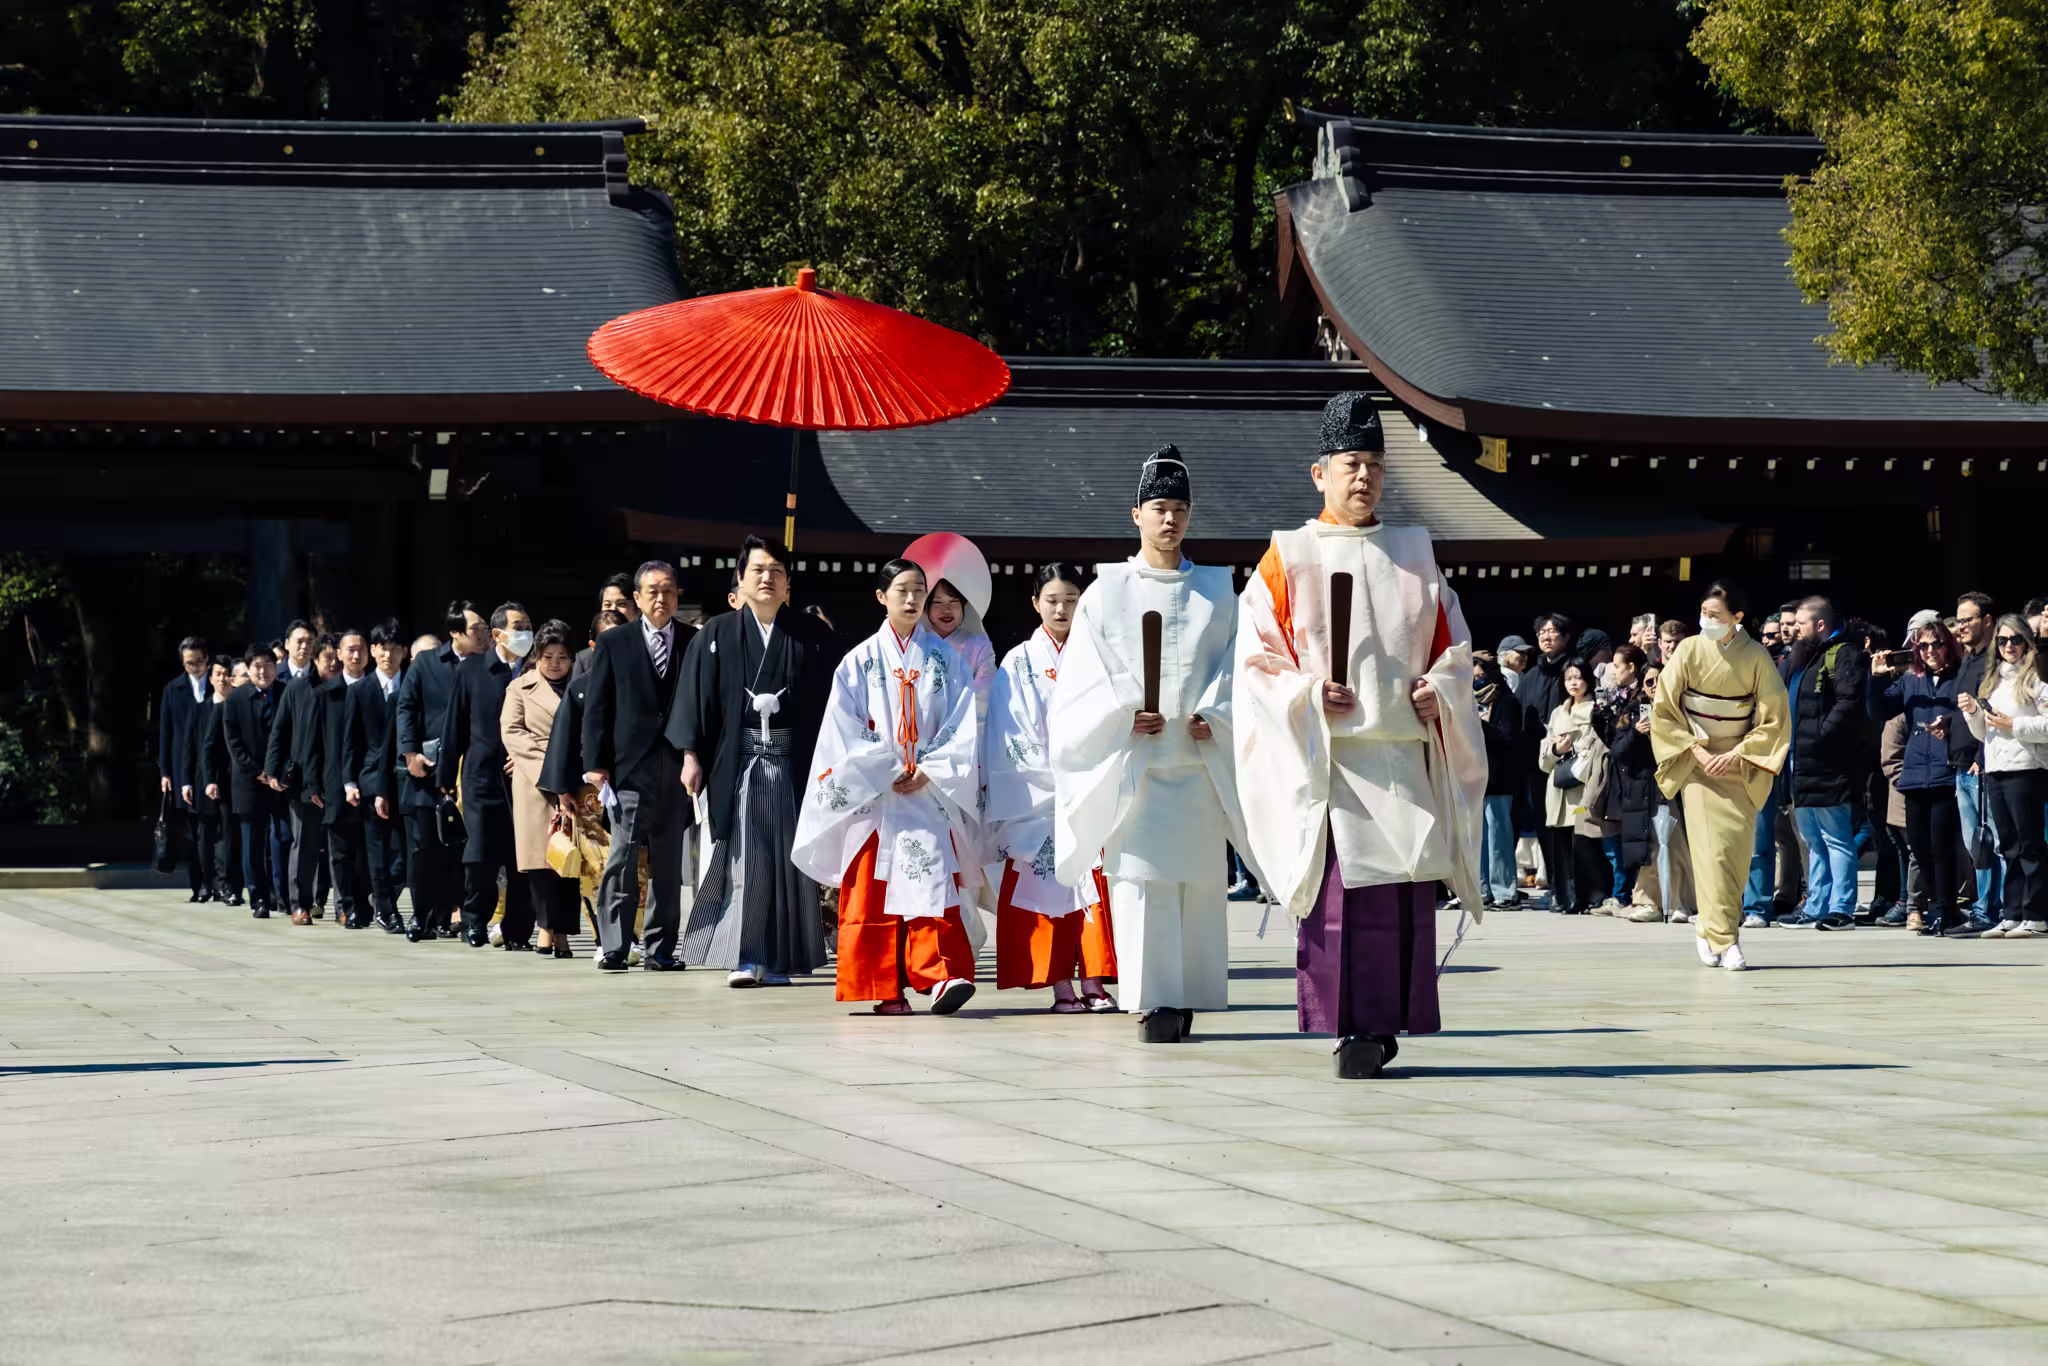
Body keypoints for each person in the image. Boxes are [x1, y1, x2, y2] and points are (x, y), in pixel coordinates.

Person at [1233, 395, 1485, 1077]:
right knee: (1343, 902)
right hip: (1331, 759)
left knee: (1400, 895)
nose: (1363, 477)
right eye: (1350, 464)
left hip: (1400, 753)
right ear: (1320, 473)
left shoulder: (1413, 553)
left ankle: (1383, 1022)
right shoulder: (1288, 556)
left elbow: (1453, 647)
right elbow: (1257, 659)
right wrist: (1309, 694)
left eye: (1374, 465)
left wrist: (1441, 687)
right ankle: (1353, 1030)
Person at [1050, 445, 1251, 1045]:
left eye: (1181, 510)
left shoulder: (1218, 590)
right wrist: (1119, 714)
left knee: (1197, 884)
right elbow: (1083, 678)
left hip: (1198, 761)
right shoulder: (1105, 591)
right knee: (1141, 884)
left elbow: (1243, 666)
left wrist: (1218, 712)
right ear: (1135, 513)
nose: (1171, 521)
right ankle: (1151, 1000)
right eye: (1160, 508)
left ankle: (1187, 993)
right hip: (1136, 762)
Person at [792, 558, 981, 1015]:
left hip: (926, 791)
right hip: (877, 797)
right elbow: (843, 728)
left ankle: (939, 978)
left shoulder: (946, 661)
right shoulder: (856, 662)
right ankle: (884, 987)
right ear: (882, 597)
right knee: (874, 893)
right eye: (903, 590)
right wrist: (888, 767)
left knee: (932, 884)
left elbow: (961, 724)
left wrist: (930, 768)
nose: (913, 599)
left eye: (920, 590)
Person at [673, 536, 838, 985]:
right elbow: (695, 699)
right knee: (746, 859)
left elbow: (834, 705)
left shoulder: (812, 636)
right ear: (741, 581)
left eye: (777, 572)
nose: (767, 578)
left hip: (794, 764)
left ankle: (783, 959)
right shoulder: (717, 634)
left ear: (788, 586)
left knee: (791, 861)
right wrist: (691, 756)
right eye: (758, 571)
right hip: (740, 763)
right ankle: (748, 956)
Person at [987, 562, 1118, 1009]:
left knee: (1092, 886)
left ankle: (1096, 981)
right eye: (1053, 601)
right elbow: (1010, 733)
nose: (1062, 609)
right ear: (1035, 604)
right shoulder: (1018, 662)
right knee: (1051, 887)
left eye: (1072, 600)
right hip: (1041, 795)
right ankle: (1061, 983)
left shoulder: (1101, 654)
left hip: (1092, 788)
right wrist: (1055, 779)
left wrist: (1089, 775)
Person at [1650, 579, 1790, 971]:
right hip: (1697, 765)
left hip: (1739, 765)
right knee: (1711, 852)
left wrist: (1739, 752)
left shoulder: (1757, 655)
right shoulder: (1691, 649)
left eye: (1714, 615)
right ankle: (1728, 940)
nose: (1705, 619)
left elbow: (1774, 715)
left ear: (1737, 617)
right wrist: (1695, 749)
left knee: (1734, 854)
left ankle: (1707, 930)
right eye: (1704, 613)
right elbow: (1664, 708)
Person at [583, 561, 693, 972]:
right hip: (630, 765)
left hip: (676, 763)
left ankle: (660, 949)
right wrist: (596, 763)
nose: (661, 598)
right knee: (623, 857)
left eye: (668, 590)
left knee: (667, 863)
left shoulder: (691, 640)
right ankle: (613, 944)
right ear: (637, 598)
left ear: (677, 595)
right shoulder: (616, 642)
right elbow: (597, 706)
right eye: (652, 591)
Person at [442, 602, 535, 949]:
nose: (525, 632)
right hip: (481, 777)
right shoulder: (471, 670)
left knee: (520, 858)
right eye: (518, 626)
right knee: (480, 856)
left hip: (525, 779)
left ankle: (517, 930)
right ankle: (475, 921)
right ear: (497, 634)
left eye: (528, 625)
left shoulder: (535, 669)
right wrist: (446, 776)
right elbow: (455, 726)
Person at [1774, 597, 1868, 931]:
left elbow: (1849, 702)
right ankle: (1816, 904)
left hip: (1829, 763)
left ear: (1820, 625)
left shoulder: (1843, 654)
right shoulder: (1801, 660)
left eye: (1800, 623)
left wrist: (1821, 736)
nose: (1793, 629)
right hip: (1799, 763)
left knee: (1836, 837)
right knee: (1813, 840)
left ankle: (1841, 907)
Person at [1869, 620, 1968, 934]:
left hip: (1945, 771)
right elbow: (1880, 709)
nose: (1930, 652)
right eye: (1922, 646)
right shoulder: (1912, 678)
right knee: (1920, 846)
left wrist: (1950, 721)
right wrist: (1875, 678)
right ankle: (1938, 904)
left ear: (1947, 645)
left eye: (1936, 644)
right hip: (1914, 773)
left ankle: (1946, 909)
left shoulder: (1960, 675)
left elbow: (1972, 712)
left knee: (1942, 844)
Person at [396, 604, 480, 940]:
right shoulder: (427, 664)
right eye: (477, 629)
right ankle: (421, 915)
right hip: (428, 771)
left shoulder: (485, 667)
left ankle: (455, 915)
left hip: (470, 772)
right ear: (456, 632)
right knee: (424, 848)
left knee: (462, 849)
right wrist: (410, 752)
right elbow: (406, 707)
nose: (483, 635)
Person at [1962, 616, 2048, 938]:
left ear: (2027, 641)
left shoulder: (2038, 676)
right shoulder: (1992, 679)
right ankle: (2011, 913)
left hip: (2027, 768)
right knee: (2007, 846)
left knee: (2030, 845)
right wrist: (1972, 712)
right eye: (2002, 640)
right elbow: (1984, 733)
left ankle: (2036, 915)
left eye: (2015, 639)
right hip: (1996, 769)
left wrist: (2014, 725)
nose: (2008, 646)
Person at [503, 619, 582, 958]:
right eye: (548, 656)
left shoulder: (582, 686)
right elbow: (513, 734)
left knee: (571, 863)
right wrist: (550, 771)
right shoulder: (520, 687)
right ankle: (548, 929)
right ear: (536, 656)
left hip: (576, 784)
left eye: (562, 656)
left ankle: (562, 931)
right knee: (540, 864)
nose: (555, 663)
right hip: (535, 784)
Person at [264, 634, 339, 923]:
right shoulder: (296, 689)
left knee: (337, 846)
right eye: (326, 658)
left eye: (336, 657)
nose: (332, 663)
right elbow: (279, 732)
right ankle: (300, 903)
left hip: (336, 780)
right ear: (315, 660)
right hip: (304, 780)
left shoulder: (345, 689)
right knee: (305, 843)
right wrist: (273, 771)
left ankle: (335, 902)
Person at [342, 621, 409, 934]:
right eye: (383, 649)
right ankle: (385, 909)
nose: (389, 656)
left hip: (407, 777)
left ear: (404, 652)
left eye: (395, 650)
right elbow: (350, 741)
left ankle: (386, 895)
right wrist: (349, 781)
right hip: (370, 779)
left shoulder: (412, 685)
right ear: (373, 651)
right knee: (377, 850)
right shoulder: (360, 691)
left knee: (407, 853)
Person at [306, 629, 374, 928]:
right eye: (350, 650)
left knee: (368, 853)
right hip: (334, 783)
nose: (356, 655)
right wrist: (312, 783)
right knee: (340, 853)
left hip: (371, 781)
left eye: (361, 649)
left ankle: (367, 904)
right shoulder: (324, 694)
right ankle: (345, 906)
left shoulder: (376, 690)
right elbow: (312, 743)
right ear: (340, 655)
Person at [221, 646, 291, 917]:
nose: (263, 671)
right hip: (249, 782)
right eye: (257, 666)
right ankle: (259, 898)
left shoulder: (287, 693)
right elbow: (234, 744)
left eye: (268, 665)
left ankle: (285, 895)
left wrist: (281, 772)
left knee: (284, 837)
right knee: (252, 844)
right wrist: (260, 772)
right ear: (248, 669)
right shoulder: (236, 699)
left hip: (282, 781)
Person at [1593, 644, 1659, 918]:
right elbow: (1614, 744)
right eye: (1650, 682)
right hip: (1629, 779)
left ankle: (1639, 897)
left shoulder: (1651, 701)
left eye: (1617, 666)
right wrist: (1603, 715)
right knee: (1626, 840)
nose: (1653, 687)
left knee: (1652, 843)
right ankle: (1629, 895)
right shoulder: (1628, 701)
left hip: (1651, 780)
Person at [1950, 591, 2002, 932]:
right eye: (1958, 620)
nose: (1960, 627)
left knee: (1993, 844)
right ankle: (1986, 909)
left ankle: (1994, 910)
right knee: (1976, 846)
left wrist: (1984, 755)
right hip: (1961, 766)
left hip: (1982, 764)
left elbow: (1996, 711)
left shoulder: (1995, 659)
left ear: (1987, 621)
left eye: (1968, 619)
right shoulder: (1967, 658)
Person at [1537, 659, 1602, 915]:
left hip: (1581, 783)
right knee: (1561, 844)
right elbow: (1543, 755)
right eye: (1568, 679)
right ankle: (1563, 896)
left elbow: (1597, 745)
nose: (1573, 683)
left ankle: (1587, 897)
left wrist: (1574, 747)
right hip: (1558, 782)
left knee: (1583, 842)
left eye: (1578, 677)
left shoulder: (1594, 709)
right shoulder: (1557, 712)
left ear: (1588, 680)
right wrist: (1555, 749)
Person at [1637, 663, 1695, 923]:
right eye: (1649, 682)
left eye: (1660, 680)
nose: (1654, 686)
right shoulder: (1633, 712)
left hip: (1678, 785)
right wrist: (1635, 734)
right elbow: (1619, 751)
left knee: (1677, 846)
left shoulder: (1681, 709)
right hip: (1644, 789)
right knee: (1649, 849)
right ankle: (1653, 902)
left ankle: (1681, 902)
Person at [157, 634, 212, 903]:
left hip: (212, 764)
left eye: (199, 662)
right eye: (190, 663)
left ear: (207, 659)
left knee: (215, 828)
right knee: (192, 830)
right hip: (183, 768)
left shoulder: (217, 684)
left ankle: (219, 883)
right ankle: (198, 885)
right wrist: (165, 772)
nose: (195, 667)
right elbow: (165, 733)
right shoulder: (173, 689)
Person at [184, 653, 239, 906]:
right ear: (211, 676)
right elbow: (190, 749)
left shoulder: (238, 706)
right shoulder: (199, 709)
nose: (222, 679)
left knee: (228, 834)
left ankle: (226, 885)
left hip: (231, 780)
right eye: (217, 674)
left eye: (227, 675)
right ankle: (206, 885)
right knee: (205, 835)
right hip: (204, 780)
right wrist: (186, 781)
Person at [1474, 650, 1525, 911]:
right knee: (1478, 841)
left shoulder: (1507, 702)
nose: (1478, 681)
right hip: (1473, 781)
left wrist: (1476, 725)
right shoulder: (1470, 702)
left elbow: (1506, 739)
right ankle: (1481, 890)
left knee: (1498, 839)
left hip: (1499, 781)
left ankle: (1505, 891)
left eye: (1481, 675)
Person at [574, 575, 640, 677]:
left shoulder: (647, 650)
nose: (613, 609)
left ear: (638, 610)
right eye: (607, 605)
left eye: (621, 604)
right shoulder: (585, 659)